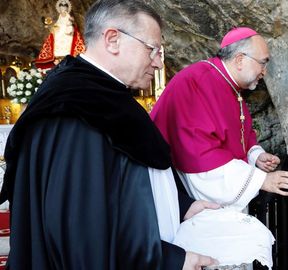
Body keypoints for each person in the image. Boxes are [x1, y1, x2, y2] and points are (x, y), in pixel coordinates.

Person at [0, 0, 219, 269]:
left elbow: (125, 178)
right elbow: (81, 230)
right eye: (153, 50)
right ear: (113, 40)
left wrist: (182, 205)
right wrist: (168, 260)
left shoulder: (103, 95)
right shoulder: (77, 109)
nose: (159, 63)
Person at [150, 26, 288, 267]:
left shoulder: (229, 85)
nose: (264, 71)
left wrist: (255, 155)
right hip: (185, 198)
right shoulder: (197, 83)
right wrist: (262, 180)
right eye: (262, 63)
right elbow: (200, 155)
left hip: (227, 186)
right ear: (240, 59)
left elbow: (240, 133)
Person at [35, 0, 85, 69]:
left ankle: (67, 57)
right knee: (56, 37)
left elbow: (71, 22)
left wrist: (70, 22)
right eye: (61, 8)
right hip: (60, 31)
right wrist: (52, 27)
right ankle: (58, 58)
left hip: (67, 31)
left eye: (64, 8)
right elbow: (58, 23)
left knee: (68, 37)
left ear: (67, 9)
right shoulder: (60, 16)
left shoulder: (69, 16)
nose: (63, 10)